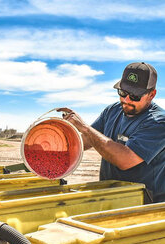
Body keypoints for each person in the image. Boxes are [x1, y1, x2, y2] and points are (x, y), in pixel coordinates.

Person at [58, 62, 165, 203]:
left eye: (135, 96)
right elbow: (87, 140)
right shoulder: (112, 111)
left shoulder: (158, 122)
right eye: (123, 92)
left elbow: (125, 160)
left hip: (144, 203)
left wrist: (83, 126)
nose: (126, 100)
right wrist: (58, 145)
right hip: (110, 196)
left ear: (152, 94)